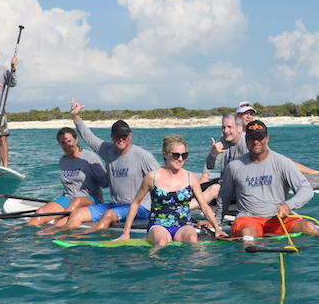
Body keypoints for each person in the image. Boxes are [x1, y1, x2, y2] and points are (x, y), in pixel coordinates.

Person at [59, 101, 158, 232]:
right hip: (115, 205)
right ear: (112, 137)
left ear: (130, 136)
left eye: (124, 136)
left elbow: (161, 179)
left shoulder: (143, 156)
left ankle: (84, 241)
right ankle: (65, 239)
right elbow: (89, 138)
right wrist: (76, 116)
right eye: (117, 136)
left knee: (109, 215)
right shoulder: (108, 150)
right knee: (78, 214)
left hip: (140, 207)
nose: (121, 139)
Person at [115, 135, 223, 252]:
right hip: (159, 225)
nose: (180, 159)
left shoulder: (190, 177)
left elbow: (204, 206)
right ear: (165, 154)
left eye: (184, 155)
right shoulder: (152, 177)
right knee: (161, 243)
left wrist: (217, 229)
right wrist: (126, 232)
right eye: (176, 155)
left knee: (192, 239)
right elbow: (136, 203)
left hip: (183, 225)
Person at [218, 120, 319, 240]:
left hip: (277, 220)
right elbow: (223, 198)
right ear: (246, 140)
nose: (256, 141)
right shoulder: (233, 166)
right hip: (248, 219)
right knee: (248, 233)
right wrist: (216, 224)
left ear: (267, 138)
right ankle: (253, 256)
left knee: (308, 226)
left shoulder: (283, 162)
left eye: (260, 137)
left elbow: (306, 190)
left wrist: (288, 206)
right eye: (252, 138)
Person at [26, 127, 109, 228]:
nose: (66, 145)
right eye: (63, 143)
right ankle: (19, 234)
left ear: (76, 140)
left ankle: (57, 225)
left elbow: (105, 183)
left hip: (91, 199)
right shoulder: (63, 161)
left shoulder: (90, 157)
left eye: (69, 141)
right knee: (40, 212)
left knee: (75, 204)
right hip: (69, 198)